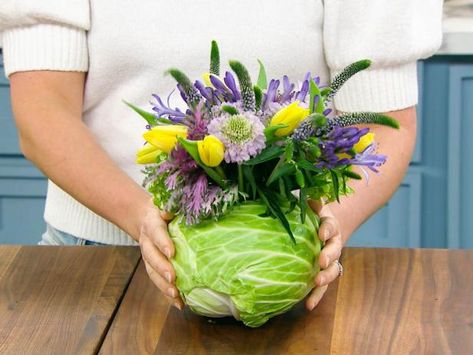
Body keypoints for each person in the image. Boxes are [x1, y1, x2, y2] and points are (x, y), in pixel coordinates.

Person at [0, 0, 443, 311]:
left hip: (282, 273)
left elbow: (384, 125)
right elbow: (42, 112)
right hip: (93, 262)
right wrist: (140, 216)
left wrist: (324, 227)